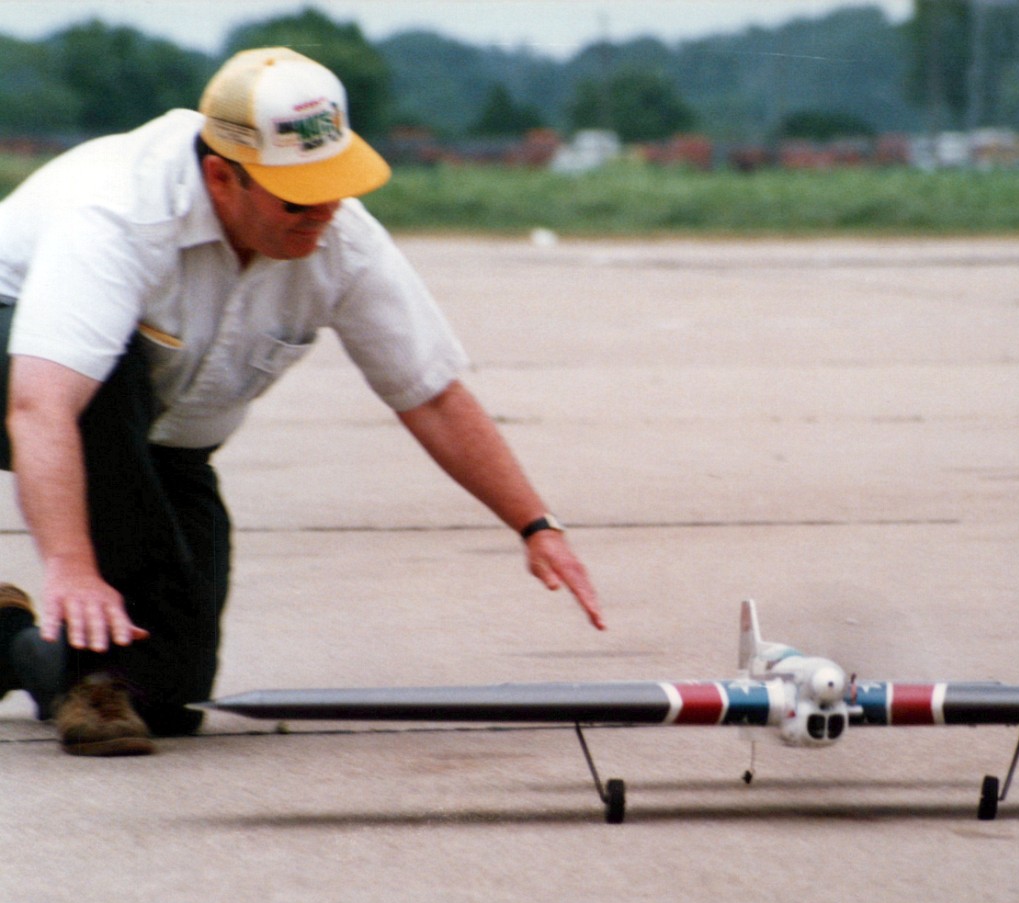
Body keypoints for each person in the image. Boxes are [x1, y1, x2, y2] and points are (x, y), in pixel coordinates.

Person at [0, 47, 603, 758]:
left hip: (160, 438)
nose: (323, 211)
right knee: (109, 375)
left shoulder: (341, 240)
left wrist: (535, 525)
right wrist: (71, 563)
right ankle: (94, 671)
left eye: (335, 186)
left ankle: (15, 646)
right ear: (222, 178)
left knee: (168, 695)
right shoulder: (119, 214)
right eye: (298, 195)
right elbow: (43, 405)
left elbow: (430, 394)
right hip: (24, 366)